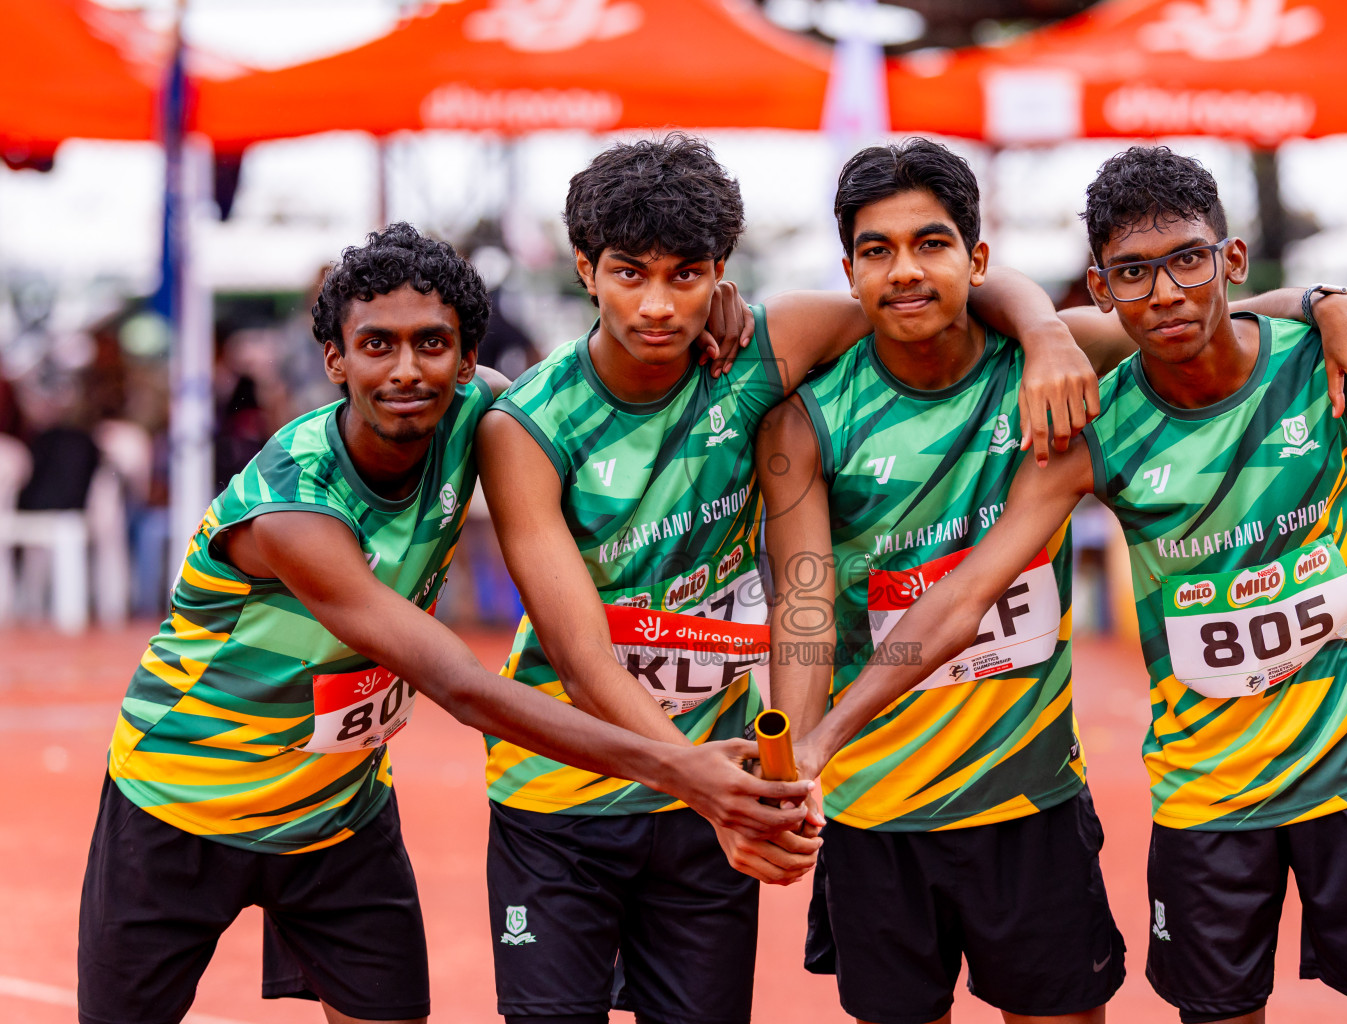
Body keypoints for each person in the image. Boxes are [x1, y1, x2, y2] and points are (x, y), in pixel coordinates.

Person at [790, 145, 1347, 1024]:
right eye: (1135, 274)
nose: (1167, 293)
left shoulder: (1324, 371)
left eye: (1189, 260)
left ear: (1231, 258)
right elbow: (960, 598)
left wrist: (1328, 301)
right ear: (1102, 290)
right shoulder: (1095, 428)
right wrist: (817, 740)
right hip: (1202, 802)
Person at [77, 223, 811, 1024]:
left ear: (466, 361)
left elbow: (588, 391)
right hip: (181, 799)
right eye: (377, 345)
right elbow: (460, 686)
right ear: (335, 360)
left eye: (431, 343)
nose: (406, 369)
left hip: (337, 810)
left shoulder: (483, 413)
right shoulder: (293, 510)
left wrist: (714, 308)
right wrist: (683, 771)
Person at [473, 132, 1102, 1024]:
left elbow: (928, 291)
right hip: (570, 794)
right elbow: (582, 664)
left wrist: (1042, 328)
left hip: (715, 788)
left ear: (720, 272)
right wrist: (713, 783)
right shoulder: (529, 428)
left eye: (687, 275)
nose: (657, 305)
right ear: (585, 269)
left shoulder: (768, 351)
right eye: (629, 274)